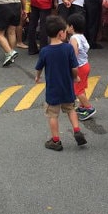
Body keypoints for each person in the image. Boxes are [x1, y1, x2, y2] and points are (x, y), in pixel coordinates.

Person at [34, 15, 87, 151]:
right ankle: (76, 130)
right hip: (67, 87)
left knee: (52, 114)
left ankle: (56, 141)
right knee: (70, 109)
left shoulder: (45, 51)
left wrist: (37, 77)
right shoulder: (68, 48)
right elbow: (74, 68)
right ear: (61, 33)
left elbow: (39, 67)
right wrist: (75, 78)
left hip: (53, 89)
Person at [67, 13, 96, 121]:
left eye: (67, 25)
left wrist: (70, 66)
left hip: (79, 67)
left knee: (77, 90)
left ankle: (89, 108)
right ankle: (82, 106)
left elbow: (73, 54)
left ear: (72, 27)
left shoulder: (74, 38)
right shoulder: (82, 36)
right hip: (85, 65)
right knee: (81, 87)